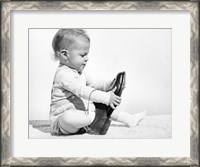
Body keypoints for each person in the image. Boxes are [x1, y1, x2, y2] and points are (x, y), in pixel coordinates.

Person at [49, 29, 146, 135]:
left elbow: (93, 84)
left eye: (87, 54)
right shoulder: (63, 75)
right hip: (63, 124)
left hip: (82, 117)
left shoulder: (79, 73)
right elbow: (83, 91)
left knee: (98, 105)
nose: (87, 58)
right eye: (83, 55)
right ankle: (96, 118)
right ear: (64, 54)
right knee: (68, 116)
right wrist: (107, 98)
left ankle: (129, 119)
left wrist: (109, 85)